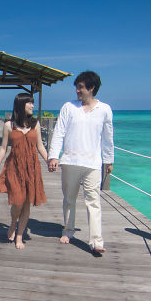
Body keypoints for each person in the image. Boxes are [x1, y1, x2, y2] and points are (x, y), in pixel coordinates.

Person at [47, 71, 114, 254]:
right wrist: (53, 156)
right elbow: (59, 132)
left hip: (92, 163)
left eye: (81, 87)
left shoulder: (104, 109)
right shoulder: (69, 107)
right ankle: (68, 231)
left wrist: (108, 160)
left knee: (94, 201)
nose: (77, 90)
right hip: (70, 161)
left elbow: (108, 138)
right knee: (69, 199)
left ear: (91, 88)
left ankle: (96, 241)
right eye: (76, 87)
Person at [0, 93, 49, 249]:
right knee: (17, 201)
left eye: (32, 103)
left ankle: (19, 236)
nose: (32, 105)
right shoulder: (8, 126)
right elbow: (4, 148)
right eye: (29, 103)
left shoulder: (35, 124)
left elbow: (40, 146)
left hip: (32, 168)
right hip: (15, 167)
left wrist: (49, 160)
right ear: (20, 105)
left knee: (26, 204)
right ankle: (13, 223)